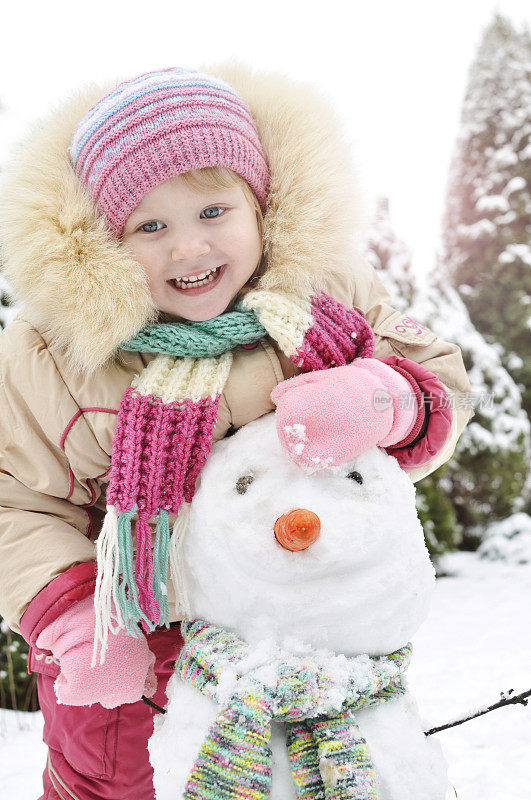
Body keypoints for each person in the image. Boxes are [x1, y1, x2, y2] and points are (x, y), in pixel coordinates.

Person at [0, 65, 472, 800]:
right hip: (132, 656)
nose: (188, 249)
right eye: (149, 227)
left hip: (300, 640)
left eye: (213, 212)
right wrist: (71, 616)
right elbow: (16, 500)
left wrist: (383, 398)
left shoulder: (329, 292)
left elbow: (436, 377)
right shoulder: (53, 354)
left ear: (259, 205)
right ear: (101, 242)